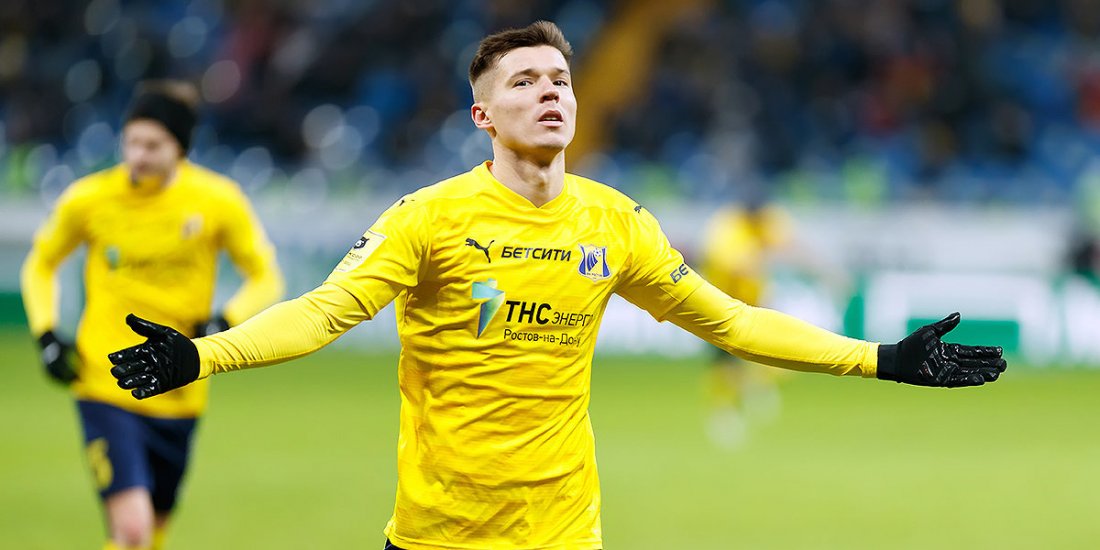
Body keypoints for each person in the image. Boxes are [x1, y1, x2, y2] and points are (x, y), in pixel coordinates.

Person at [106, 23, 1005, 550]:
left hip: (565, 534)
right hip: (437, 535)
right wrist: (202, 354)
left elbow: (733, 322)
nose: (552, 92)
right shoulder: (427, 219)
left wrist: (882, 359)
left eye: (562, 79)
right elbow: (321, 314)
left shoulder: (615, 223)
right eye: (525, 81)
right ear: (482, 115)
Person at [21, 80, 284, 550]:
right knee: (133, 529)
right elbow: (40, 264)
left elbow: (266, 276)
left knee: (152, 532)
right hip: (105, 383)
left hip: (180, 388)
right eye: (131, 142)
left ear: (179, 147)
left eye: (152, 145)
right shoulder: (89, 199)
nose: (137, 155)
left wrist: (225, 321)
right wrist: (46, 335)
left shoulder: (218, 200)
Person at [698, 197, 847, 448]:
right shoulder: (725, 229)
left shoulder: (767, 222)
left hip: (754, 302)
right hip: (720, 304)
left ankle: (754, 388)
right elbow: (735, 266)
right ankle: (725, 412)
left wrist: (827, 271)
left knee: (776, 350)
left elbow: (795, 246)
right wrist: (761, 255)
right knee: (725, 363)